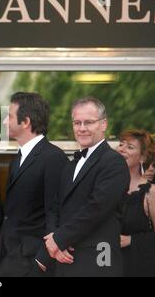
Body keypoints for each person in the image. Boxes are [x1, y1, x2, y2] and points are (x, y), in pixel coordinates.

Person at [44, 97, 130, 276]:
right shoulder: (70, 165)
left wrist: (59, 239)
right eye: (77, 123)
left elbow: (97, 208)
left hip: (97, 260)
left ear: (104, 124)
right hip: (63, 259)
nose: (82, 128)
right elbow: (55, 206)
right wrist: (53, 240)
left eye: (89, 122)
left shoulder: (114, 162)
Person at [0, 92, 68, 277]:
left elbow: (56, 211)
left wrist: (43, 259)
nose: (4, 122)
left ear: (25, 122)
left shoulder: (53, 158)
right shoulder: (17, 159)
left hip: (32, 259)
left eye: (9, 116)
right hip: (8, 255)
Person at [117, 130, 155, 276]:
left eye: (130, 147)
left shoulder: (152, 191)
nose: (122, 149)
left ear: (143, 157)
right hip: (110, 262)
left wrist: (130, 240)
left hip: (140, 266)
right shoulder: (108, 188)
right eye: (121, 144)